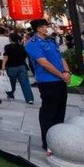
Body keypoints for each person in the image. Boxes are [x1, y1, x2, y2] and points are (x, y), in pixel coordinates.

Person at [26, 18, 71, 153]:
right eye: (45, 26)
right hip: (47, 82)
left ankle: (58, 138)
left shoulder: (51, 41)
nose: (48, 28)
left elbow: (61, 58)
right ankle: (47, 141)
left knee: (60, 110)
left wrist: (67, 72)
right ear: (39, 28)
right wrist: (60, 74)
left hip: (60, 80)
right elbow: (43, 63)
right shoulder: (32, 43)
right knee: (49, 111)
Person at [2, 32, 34, 104]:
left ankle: (10, 94)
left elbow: (5, 57)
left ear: (10, 39)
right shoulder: (22, 47)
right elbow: (25, 57)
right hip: (22, 67)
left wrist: (3, 67)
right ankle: (29, 99)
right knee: (25, 83)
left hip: (11, 67)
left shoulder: (7, 47)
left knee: (11, 82)